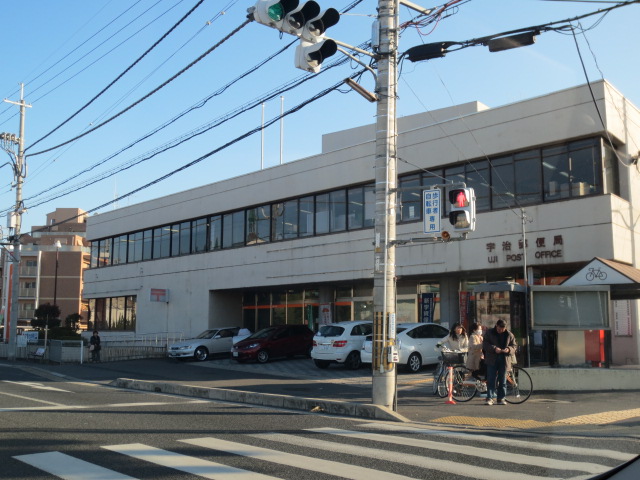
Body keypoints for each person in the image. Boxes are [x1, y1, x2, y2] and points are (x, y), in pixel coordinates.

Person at [482, 319, 517, 405]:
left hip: (504, 359)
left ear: (505, 328)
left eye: (502, 329)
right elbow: (485, 344)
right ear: (496, 326)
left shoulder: (509, 334)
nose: (500, 330)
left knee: (503, 380)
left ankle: (501, 398)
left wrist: (508, 349)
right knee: (491, 379)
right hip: (492, 359)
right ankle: (489, 398)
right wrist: (494, 348)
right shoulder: (490, 332)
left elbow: (514, 346)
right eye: (498, 328)